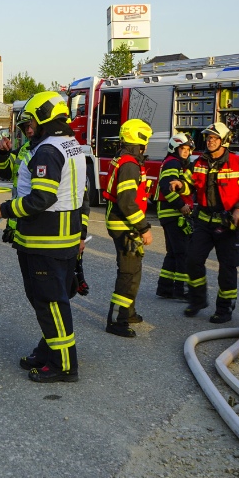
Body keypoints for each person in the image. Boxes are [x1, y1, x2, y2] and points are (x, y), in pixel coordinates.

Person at [0, 91, 89, 383]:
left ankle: (64, 365)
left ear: (46, 115)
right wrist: (81, 232)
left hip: (46, 239)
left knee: (51, 302)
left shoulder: (47, 151)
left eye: (30, 122)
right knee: (47, 300)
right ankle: (48, 351)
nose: (26, 129)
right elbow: (78, 196)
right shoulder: (70, 145)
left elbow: (41, 198)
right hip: (61, 236)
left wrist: (4, 209)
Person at [182, 122, 239, 324]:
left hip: (228, 225)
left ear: (224, 141)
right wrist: (179, 185)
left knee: (227, 267)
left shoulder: (237, 163)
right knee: (192, 259)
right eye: (208, 137)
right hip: (204, 222)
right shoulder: (199, 162)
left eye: (214, 137)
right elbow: (187, 183)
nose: (209, 140)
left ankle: (224, 308)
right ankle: (198, 299)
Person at [102, 119, 154, 338]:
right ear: (140, 138)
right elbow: (127, 202)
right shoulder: (130, 164)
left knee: (134, 269)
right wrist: (144, 228)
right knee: (127, 272)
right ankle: (117, 320)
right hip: (125, 225)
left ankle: (128, 311)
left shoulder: (124, 158)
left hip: (123, 223)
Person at [155, 133, 195, 300]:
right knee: (183, 252)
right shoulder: (173, 163)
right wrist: (181, 205)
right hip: (173, 213)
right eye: (183, 148)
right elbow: (167, 188)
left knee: (172, 252)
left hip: (167, 213)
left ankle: (165, 288)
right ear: (174, 148)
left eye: (188, 149)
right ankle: (182, 291)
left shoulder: (174, 162)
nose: (186, 152)